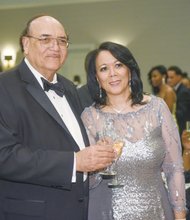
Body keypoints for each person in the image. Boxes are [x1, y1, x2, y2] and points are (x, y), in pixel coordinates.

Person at [0, 15, 115, 220]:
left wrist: (95, 147)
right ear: (26, 44)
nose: (55, 47)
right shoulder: (4, 87)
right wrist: (74, 163)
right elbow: (4, 156)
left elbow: (66, 139)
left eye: (62, 41)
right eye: (45, 39)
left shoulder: (69, 87)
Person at [81, 41, 186, 219]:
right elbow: (86, 181)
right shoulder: (89, 117)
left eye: (118, 65)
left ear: (130, 70)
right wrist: (97, 161)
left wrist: (180, 214)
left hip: (157, 211)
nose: (112, 74)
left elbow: (174, 167)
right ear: (97, 78)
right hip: (106, 213)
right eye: (104, 68)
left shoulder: (156, 108)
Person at [167, 66, 190, 136]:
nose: (168, 80)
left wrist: (170, 114)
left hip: (182, 128)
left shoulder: (183, 91)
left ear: (179, 77)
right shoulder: (174, 90)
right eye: (167, 77)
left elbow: (183, 113)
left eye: (171, 77)